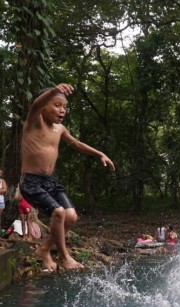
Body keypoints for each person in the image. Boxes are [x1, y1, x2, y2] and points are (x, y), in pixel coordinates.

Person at [19, 83, 115, 272]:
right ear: (45, 105)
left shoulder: (60, 129)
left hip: (50, 181)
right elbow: (36, 105)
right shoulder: (34, 122)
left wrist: (99, 153)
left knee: (70, 216)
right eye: (56, 105)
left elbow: (76, 144)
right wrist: (54, 90)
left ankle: (44, 249)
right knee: (58, 213)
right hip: (31, 182)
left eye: (64, 107)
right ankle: (64, 256)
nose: (62, 110)